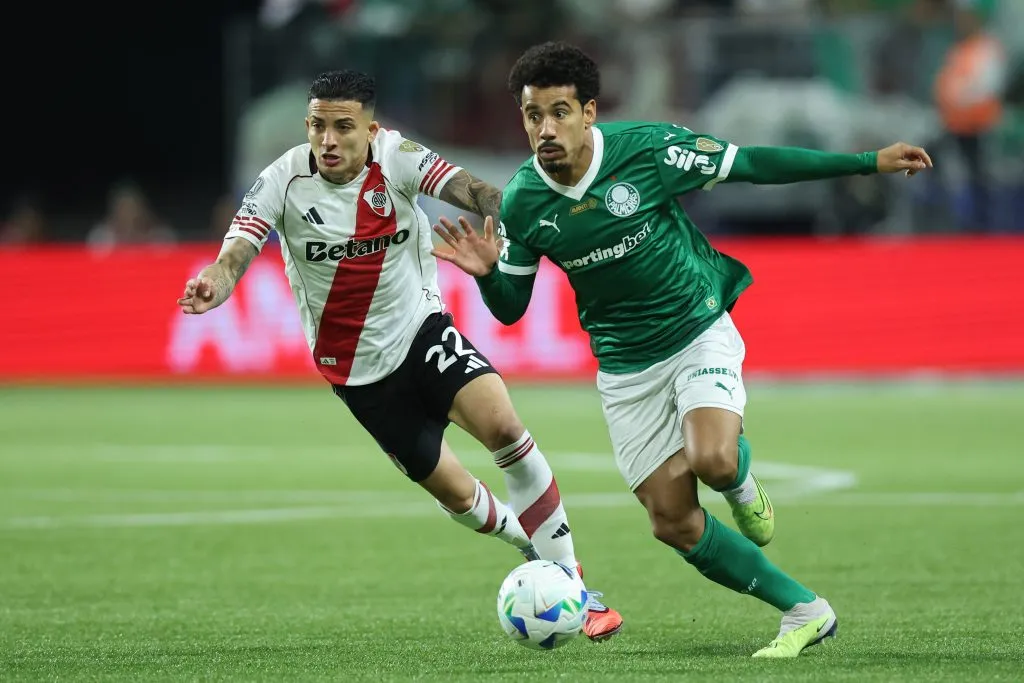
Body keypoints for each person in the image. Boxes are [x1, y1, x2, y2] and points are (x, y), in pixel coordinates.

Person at [433, 42, 932, 658]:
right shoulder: (523, 201)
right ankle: (806, 611)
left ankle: (742, 480)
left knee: (715, 461)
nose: (545, 129)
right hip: (624, 365)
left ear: (590, 112)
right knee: (671, 521)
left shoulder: (647, 150)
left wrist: (866, 162)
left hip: (696, 326)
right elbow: (511, 306)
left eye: (559, 112)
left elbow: (751, 163)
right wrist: (487, 274)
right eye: (533, 115)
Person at [176, 69, 623, 641]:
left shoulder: (399, 157)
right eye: (317, 127)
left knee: (504, 426)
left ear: (371, 128)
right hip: (355, 372)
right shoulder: (281, 181)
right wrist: (216, 280)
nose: (328, 141)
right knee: (460, 496)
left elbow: (472, 190)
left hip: (421, 330)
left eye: (343, 127)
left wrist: (522, 210)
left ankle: (570, 583)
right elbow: (238, 249)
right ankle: (526, 547)